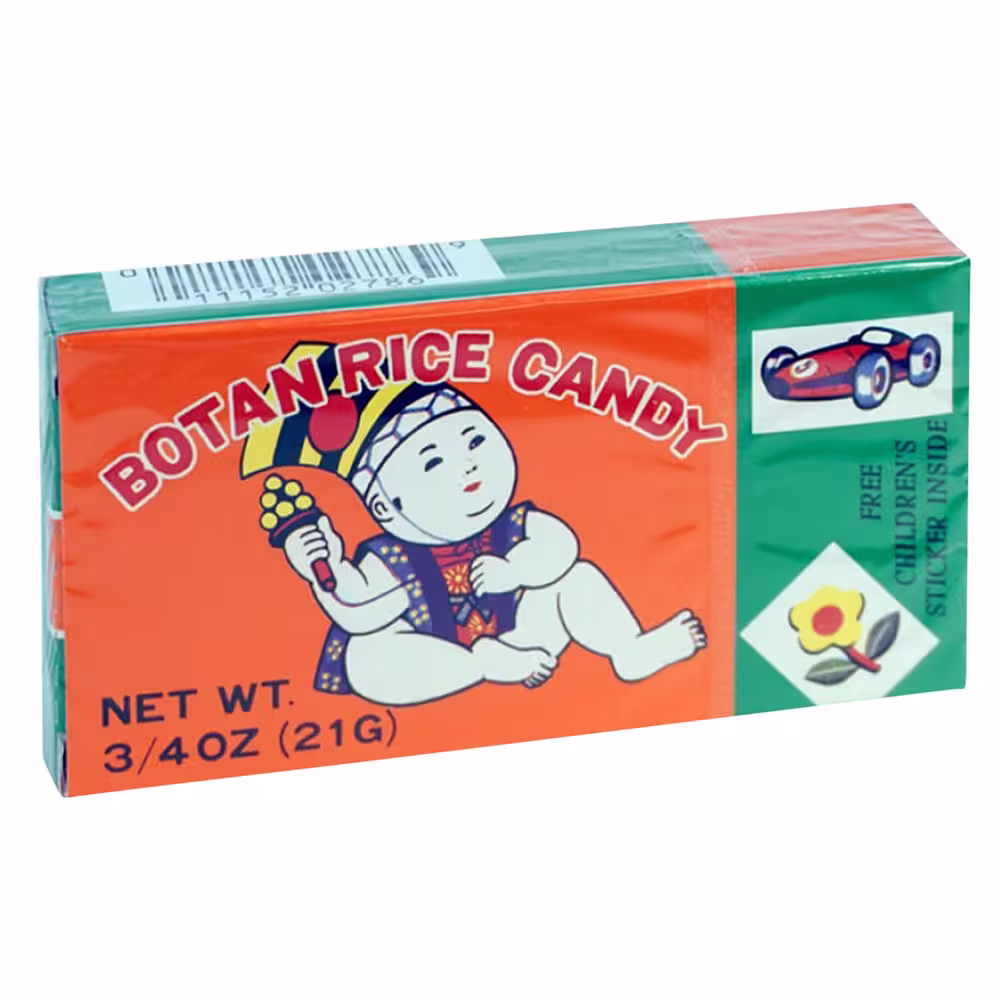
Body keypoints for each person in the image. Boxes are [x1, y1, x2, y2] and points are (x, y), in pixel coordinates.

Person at [277, 378, 707, 706]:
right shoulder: (388, 556)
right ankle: (482, 663)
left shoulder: (514, 525)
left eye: (476, 441)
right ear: (385, 507)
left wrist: (518, 570)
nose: (468, 466)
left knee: (578, 578)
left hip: (523, 637)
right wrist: (325, 569)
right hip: (441, 661)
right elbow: (362, 613)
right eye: (433, 463)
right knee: (365, 655)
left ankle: (629, 649)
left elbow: (563, 548)